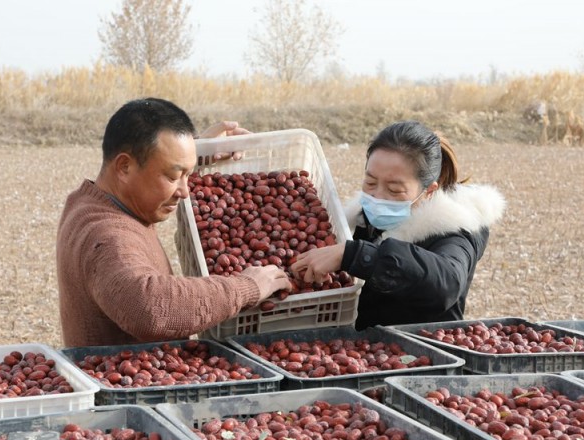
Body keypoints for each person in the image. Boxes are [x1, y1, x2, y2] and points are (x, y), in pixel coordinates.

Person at [56, 97, 291, 347]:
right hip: (131, 383)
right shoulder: (105, 235)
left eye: (187, 175)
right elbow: (149, 308)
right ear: (124, 167)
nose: (185, 191)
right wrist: (247, 287)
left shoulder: (90, 202)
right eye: (172, 176)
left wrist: (192, 151)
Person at [291, 120, 505, 329]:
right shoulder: (359, 221)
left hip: (421, 355)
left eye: (394, 190)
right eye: (370, 182)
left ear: (428, 191)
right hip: (364, 353)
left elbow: (447, 283)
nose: (377, 196)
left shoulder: (454, 232)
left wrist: (357, 255)